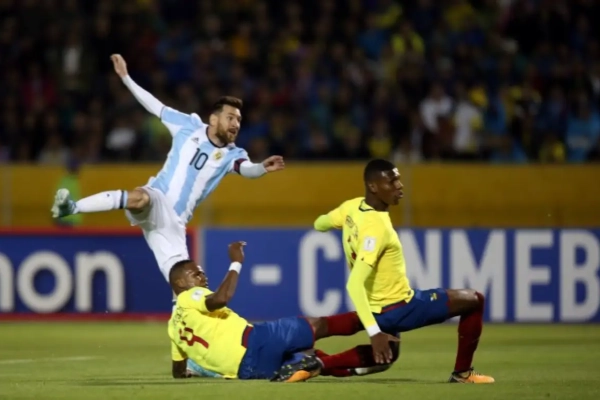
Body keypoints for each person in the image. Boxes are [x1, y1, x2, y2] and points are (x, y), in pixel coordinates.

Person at [51, 54, 284, 281]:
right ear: (214, 120)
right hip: (156, 197)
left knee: (185, 284)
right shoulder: (188, 125)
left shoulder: (233, 154)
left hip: (174, 223)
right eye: (230, 117)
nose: (236, 124)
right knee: (140, 198)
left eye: (239, 120)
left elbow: (248, 170)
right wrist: (126, 78)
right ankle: (71, 207)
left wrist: (262, 167)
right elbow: (155, 106)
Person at [313, 158, 495, 383]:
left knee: (389, 354)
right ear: (373, 186)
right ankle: (463, 373)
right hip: (399, 308)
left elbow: (319, 223)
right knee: (475, 299)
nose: (400, 185)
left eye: (398, 179)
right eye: (392, 181)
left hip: (376, 308)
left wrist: (339, 225)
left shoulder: (351, 207)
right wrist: (374, 332)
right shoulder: (376, 227)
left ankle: (317, 364)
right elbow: (354, 284)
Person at [168, 241, 396, 382]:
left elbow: (178, 370)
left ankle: (362, 366)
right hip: (255, 341)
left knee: (312, 360)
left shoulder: (173, 328)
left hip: (247, 370)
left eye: (202, 273)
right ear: (179, 283)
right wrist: (236, 262)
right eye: (196, 274)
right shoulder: (190, 296)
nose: (203, 277)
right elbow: (221, 298)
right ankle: (379, 317)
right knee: (316, 325)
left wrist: (195, 370)